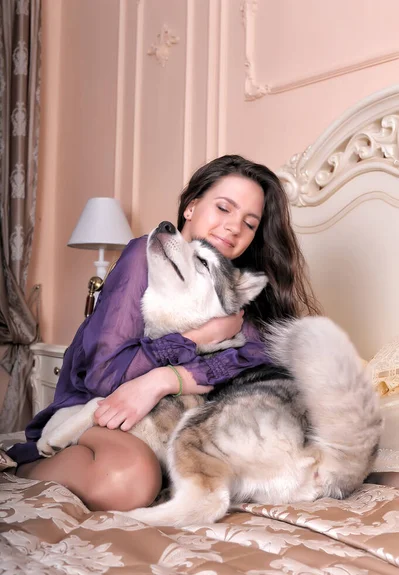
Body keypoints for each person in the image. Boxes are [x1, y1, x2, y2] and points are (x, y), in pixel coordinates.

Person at [10, 155, 319, 511]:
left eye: (249, 224)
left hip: (177, 429)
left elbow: (256, 357)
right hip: (102, 413)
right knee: (130, 479)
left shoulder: (235, 289)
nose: (234, 227)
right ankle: (29, 467)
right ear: (191, 207)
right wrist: (196, 339)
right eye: (223, 208)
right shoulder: (143, 255)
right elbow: (103, 376)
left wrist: (166, 380)